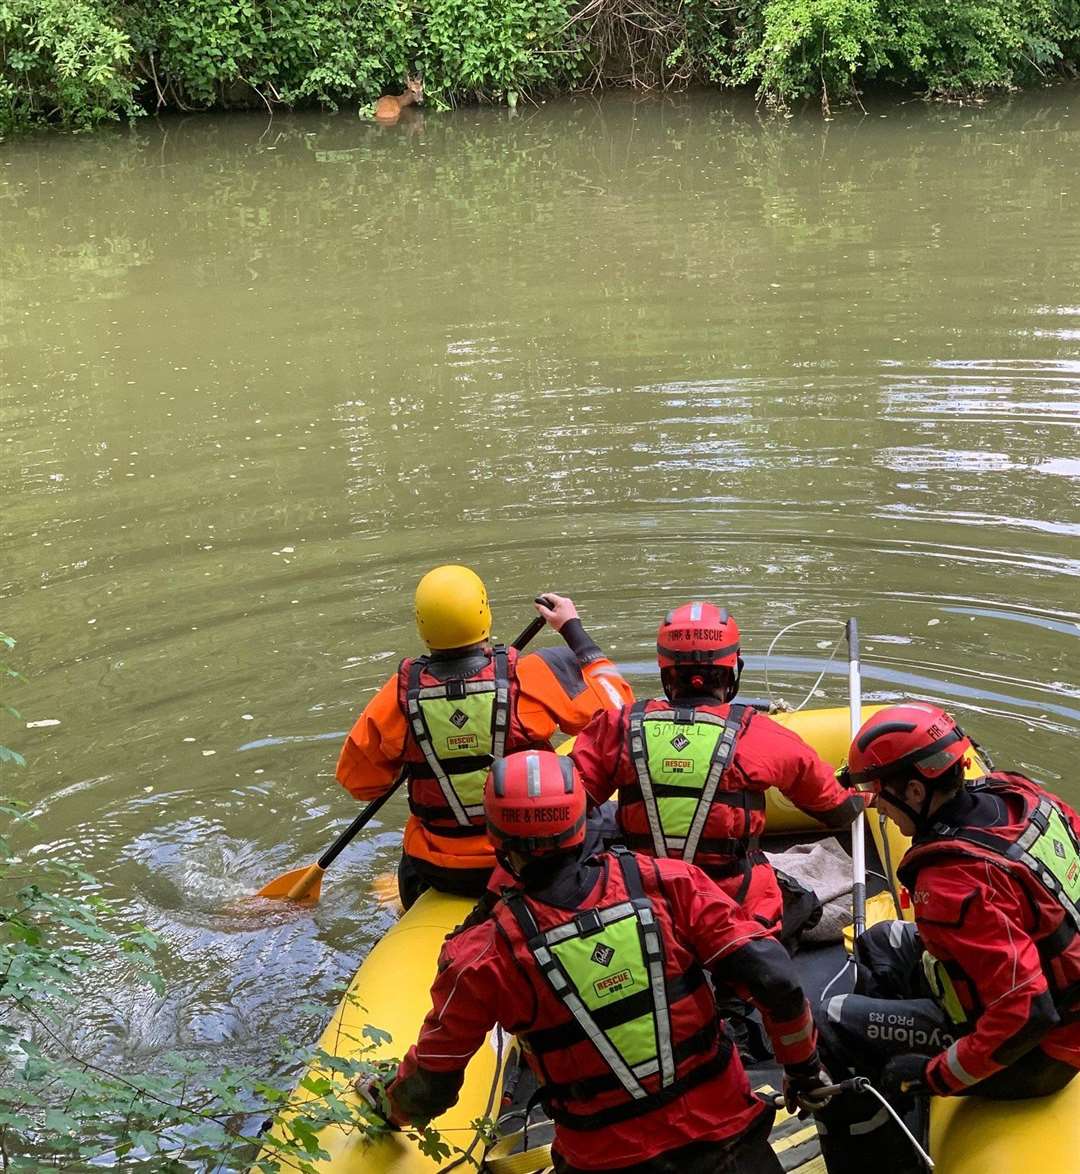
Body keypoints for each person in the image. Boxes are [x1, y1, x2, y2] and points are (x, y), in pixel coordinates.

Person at [356, 749, 833, 1173]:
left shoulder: (482, 955)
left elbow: (433, 1082)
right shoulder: (668, 882)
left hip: (605, 1160)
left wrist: (389, 1108)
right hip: (729, 1140)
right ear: (583, 821)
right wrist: (804, 1069)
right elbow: (776, 981)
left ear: (496, 839)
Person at [813, 702, 1080, 1174]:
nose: (879, 808)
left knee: (834, 1019)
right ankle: (888, 1084)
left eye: (881, 795)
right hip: (1052, 994)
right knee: (879, 943)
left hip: (1038, 1052)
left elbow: (1026, 1014)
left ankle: (880, 1161)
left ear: (915, 790)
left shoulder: (955, 882)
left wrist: (935, 1074)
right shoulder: (1022, 799)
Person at [336, 565, 632, 908]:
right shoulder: (531, 673)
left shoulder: (398, 696)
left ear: (421, 625)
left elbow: (359, 783)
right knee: (615, 822)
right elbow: (618, 711)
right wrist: (574, 632)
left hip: (440, 870)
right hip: (532, 860)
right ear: (484, 613)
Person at [570, 601, 866, 937]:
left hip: (642, 899)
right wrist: (862, 796)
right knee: (800, 905)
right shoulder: (762, 734)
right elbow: (837, 810)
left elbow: (568, 804)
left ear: (665, 671)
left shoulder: (616, 727)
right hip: (735, 908)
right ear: (732, 670)